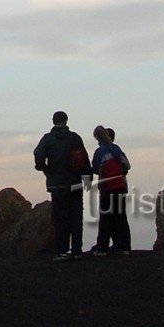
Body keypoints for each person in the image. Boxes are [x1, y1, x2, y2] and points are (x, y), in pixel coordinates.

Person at [33, 110, 92, 259]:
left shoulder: (48, 139)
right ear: (66, 121)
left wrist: (44, 169)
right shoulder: (75, 138)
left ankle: (62, 251)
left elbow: (38, 155)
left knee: (60, 218)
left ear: (53, 121)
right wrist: (87, 180)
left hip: (57, 185)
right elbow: (84, 159)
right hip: (75, 183)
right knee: (76, 217)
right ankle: (77, 250)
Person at [90, 124, 131, 255]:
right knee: (120, 217)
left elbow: (95, 168)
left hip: (107, 187)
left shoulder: (100, 151)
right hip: (120, 186)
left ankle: (103, 248)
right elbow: (127, 165)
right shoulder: (116, 149)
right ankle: (124, 246)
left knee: (105, 218)